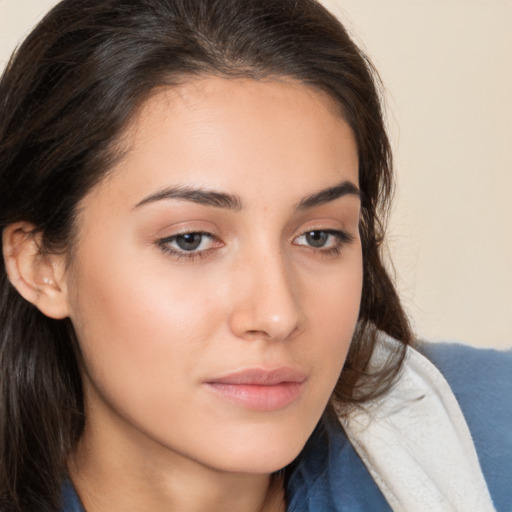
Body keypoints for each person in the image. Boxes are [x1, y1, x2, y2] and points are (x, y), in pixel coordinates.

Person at [0, 0, 510, 511]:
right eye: (190, 240)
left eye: (318, 236)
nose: (278, 314)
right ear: (40, 266)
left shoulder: (483, 433)